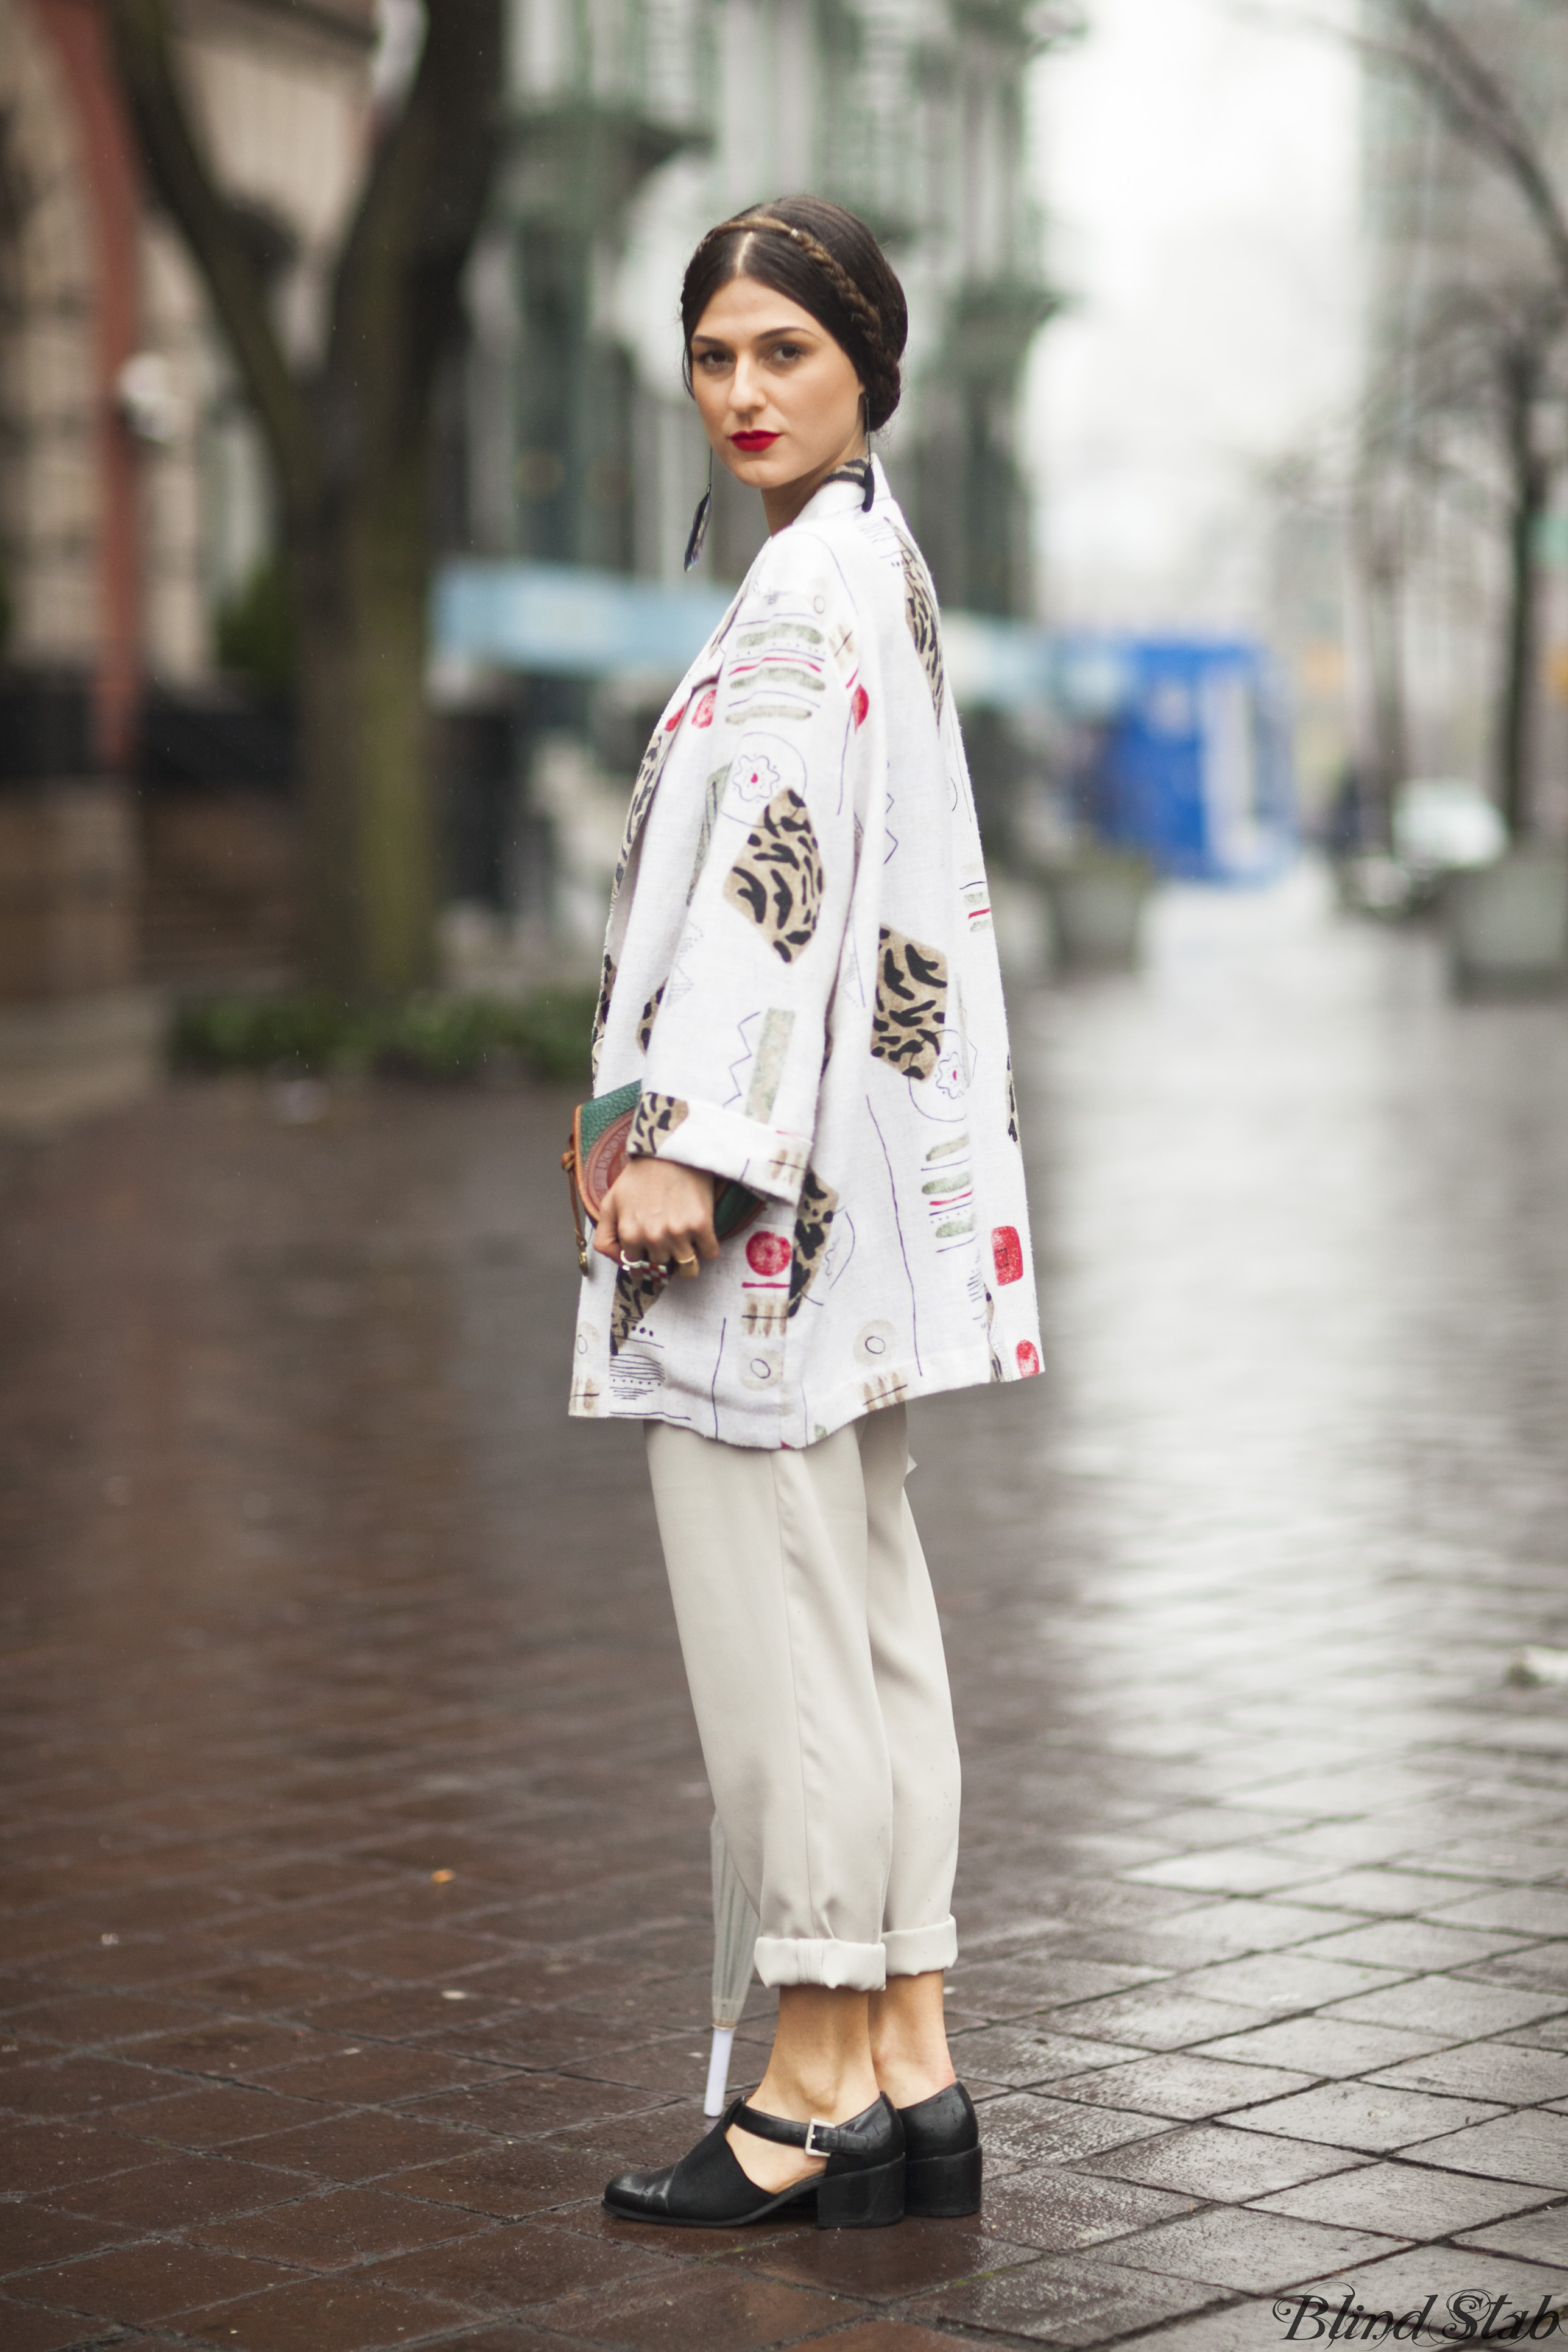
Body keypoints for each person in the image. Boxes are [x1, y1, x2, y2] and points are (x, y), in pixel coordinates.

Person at [570, 194, 1042, 2231]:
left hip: (757, 1216)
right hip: (854, 1205)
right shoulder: (875, 566)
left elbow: (770, 889)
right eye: (713, 354)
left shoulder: (803, 594)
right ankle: (915, 2054)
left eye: (783, 349)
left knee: (783, 1634)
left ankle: (814, 2078)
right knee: (863, 1616)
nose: (743, 390)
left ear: (866, 360)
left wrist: (680, 1137)